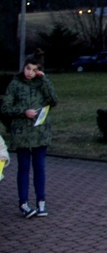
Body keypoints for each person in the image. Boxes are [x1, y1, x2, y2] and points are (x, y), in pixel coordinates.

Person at [1, 49, 58, 218]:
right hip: (21, 133)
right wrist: (23, 112)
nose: (30, 73)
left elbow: (54, 100)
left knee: (39, 167)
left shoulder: (42, 83)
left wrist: (45, 79)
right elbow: (5, 107)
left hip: (40, 132)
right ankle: (24, 203)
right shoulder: (15, 84)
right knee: (23, 168)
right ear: (23, 67)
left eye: (34, 70)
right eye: (28, 68)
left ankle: (41, 201)